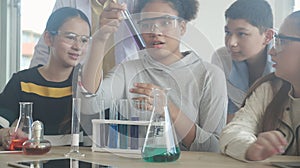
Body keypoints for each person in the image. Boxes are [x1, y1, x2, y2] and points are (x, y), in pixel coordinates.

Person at [80, 0, 227, 152]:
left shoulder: (210, 75)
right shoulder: (128, 70)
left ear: (182, 27)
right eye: (146, 24)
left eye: (165, 22)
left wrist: (168, 109)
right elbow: (89, 105)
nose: (155, 31)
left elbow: (213, 148)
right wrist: (99, 39)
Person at [0, 7, 91, 149]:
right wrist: (4, 134)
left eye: (84, 40)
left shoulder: (87, 84)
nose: (78, 46)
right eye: (70, 37)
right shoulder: (22, 82)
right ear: (48, 38)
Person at [219, 10, 300, 161]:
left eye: (282, 42)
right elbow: (232, 132)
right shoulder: (269, 89)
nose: (272, 51)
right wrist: (251, 148)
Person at [30, 0, 139, 75]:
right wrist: (34, 83)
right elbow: (47, 47)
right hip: (80, 90)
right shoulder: (68, 2)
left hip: (122, 90)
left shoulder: (135, 3)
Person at [211, 0, 275, 123]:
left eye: (242, 34)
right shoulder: (222, 58)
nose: (231, 43)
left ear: (267, 36)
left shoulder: (285, 58)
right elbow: (223, 114)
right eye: (228, 33)